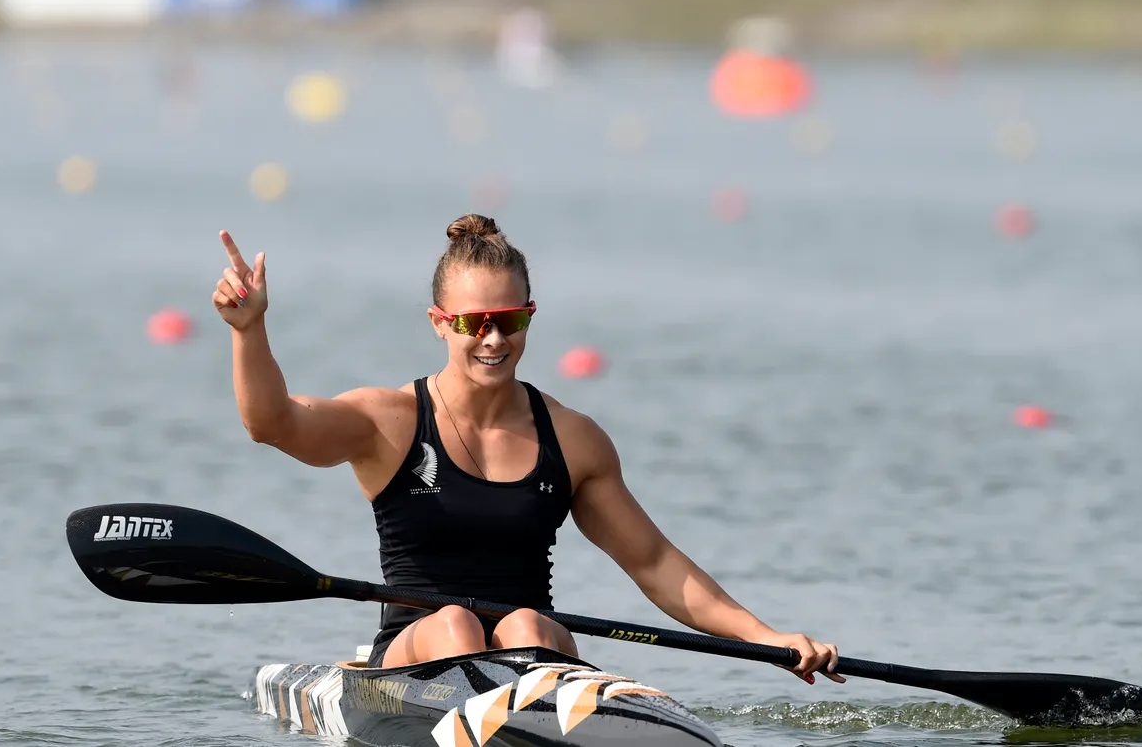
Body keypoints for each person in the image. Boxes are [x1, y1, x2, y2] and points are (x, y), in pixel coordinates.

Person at [211, 214, 843, 684]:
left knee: (526, 626)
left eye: (509, 320)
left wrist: (767, 638)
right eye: (471, 323)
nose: (492, 338)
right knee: (457, 622)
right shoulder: (390, 420)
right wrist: (250, 330)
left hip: (530, 649)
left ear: (530, 316)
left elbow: (654, 564)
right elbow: (274, 424)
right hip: (415, 652)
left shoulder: (572, 438)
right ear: (439, 322)